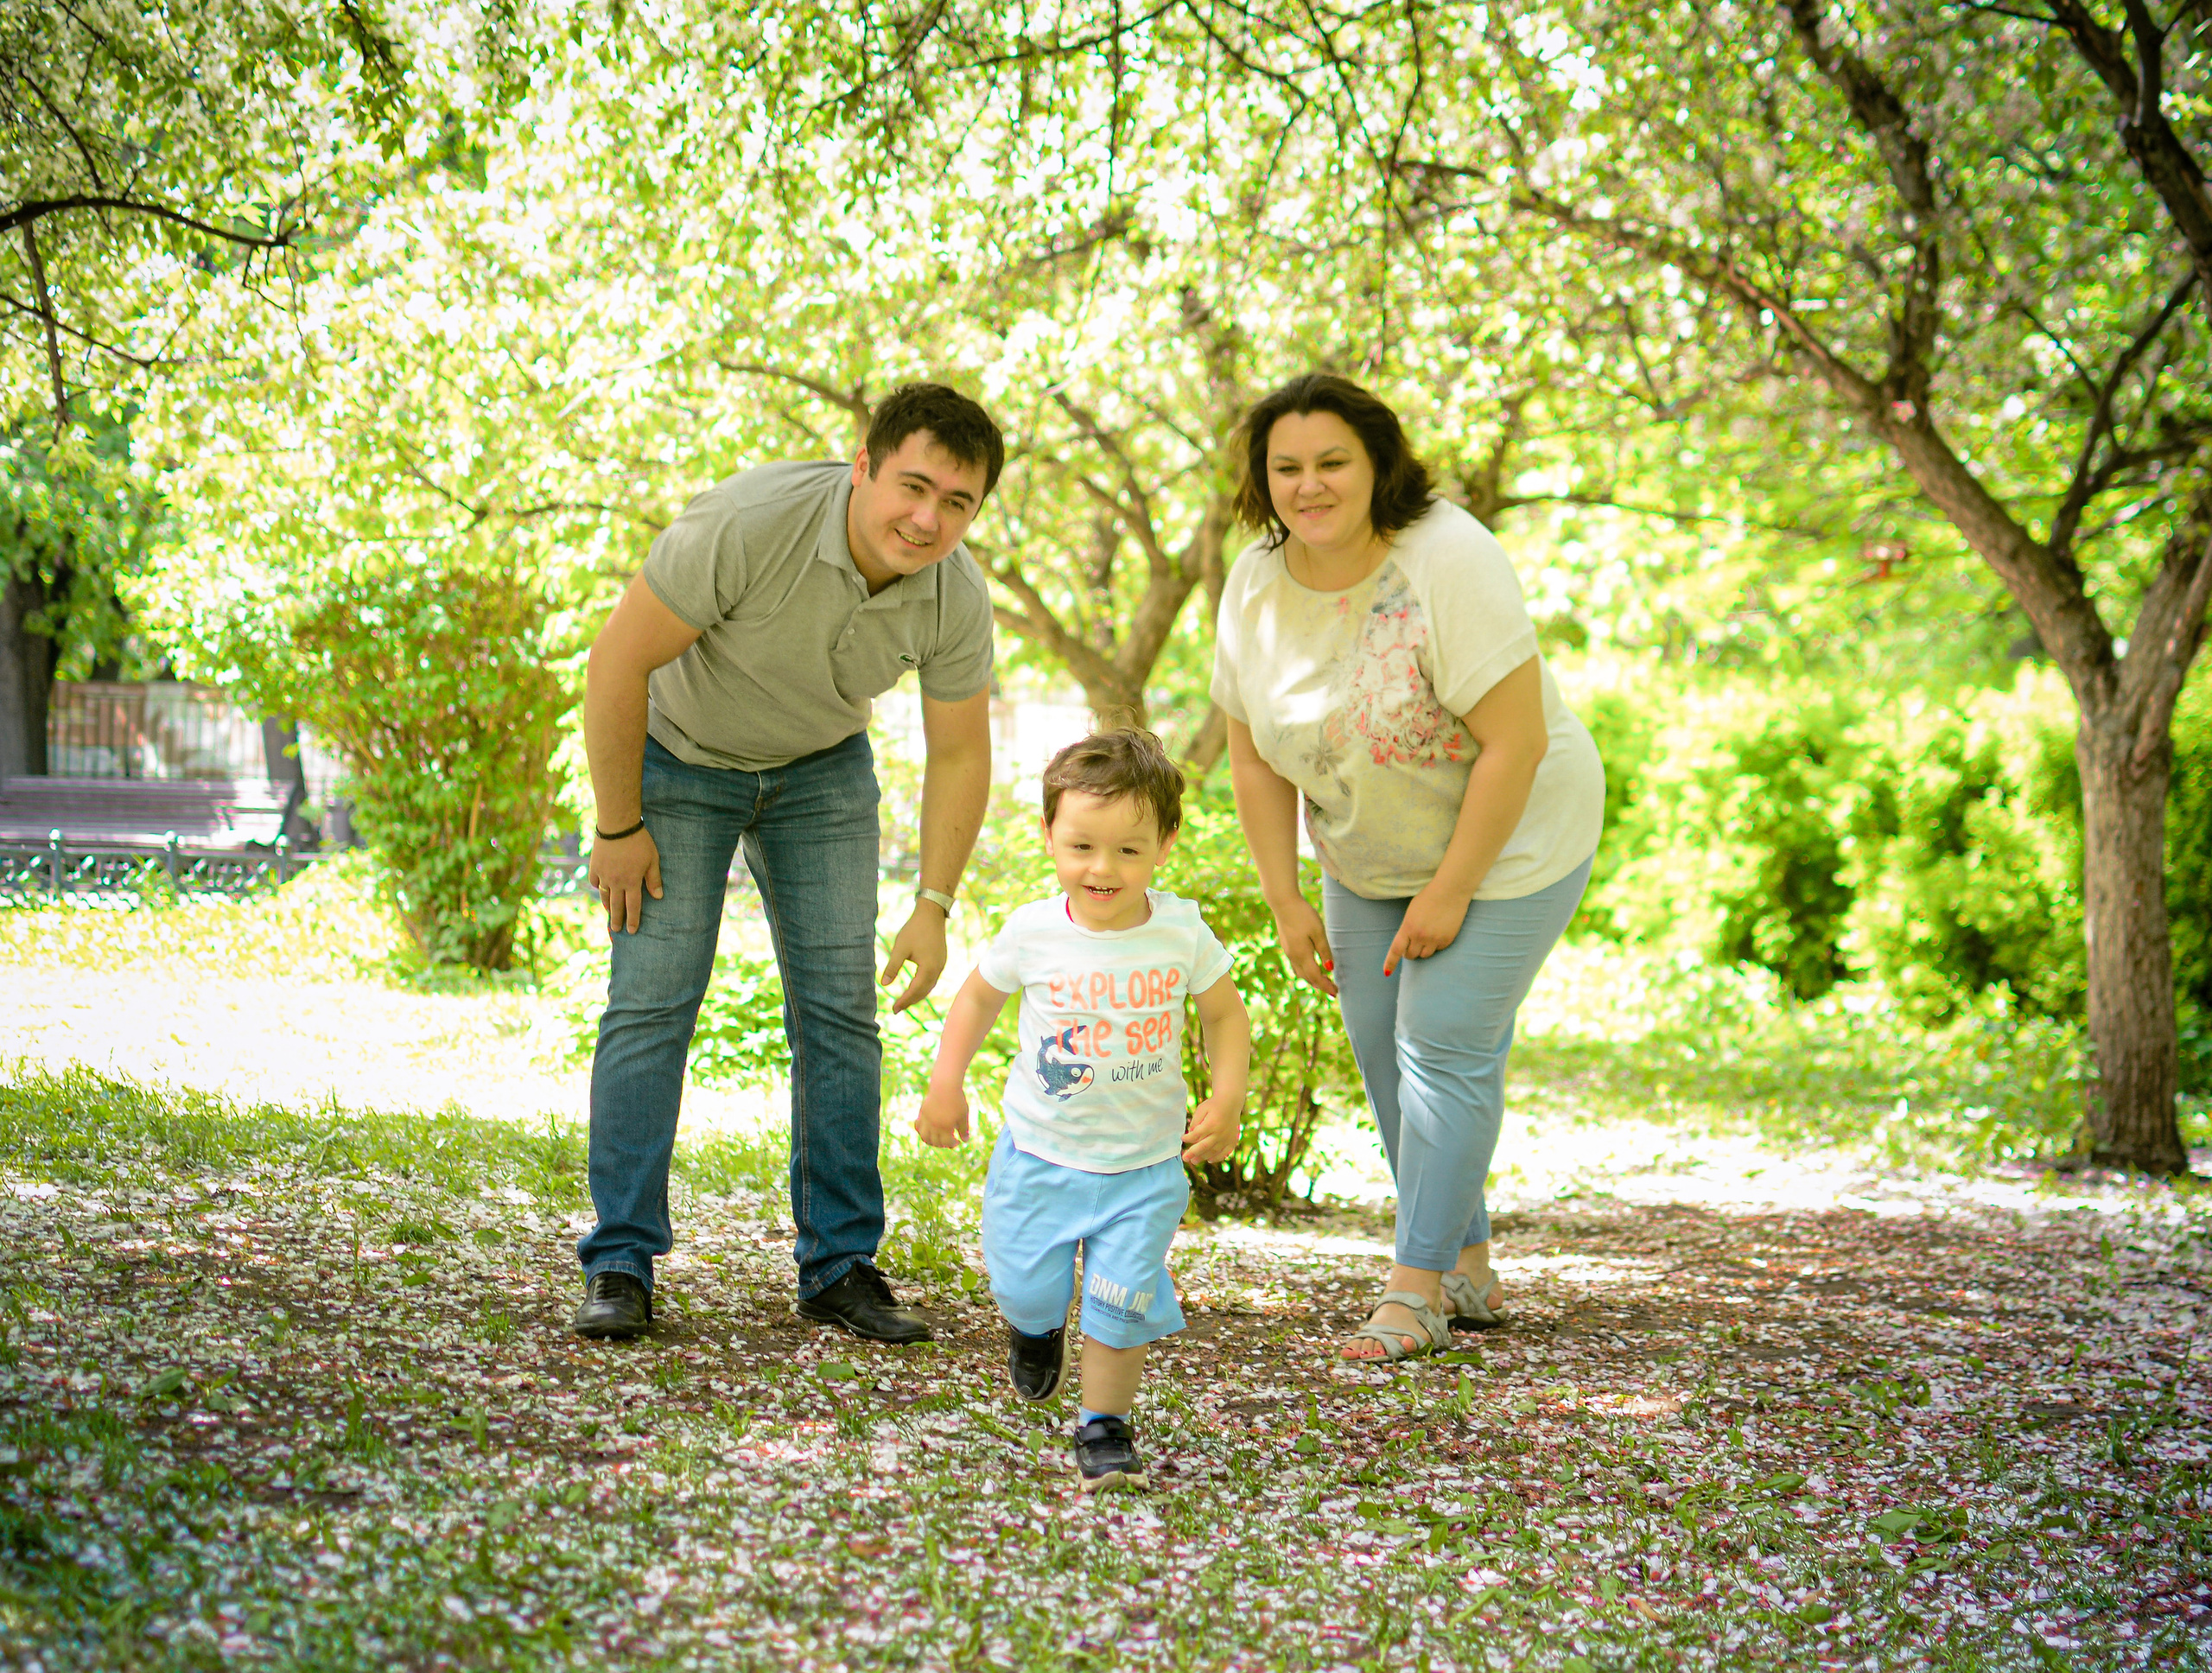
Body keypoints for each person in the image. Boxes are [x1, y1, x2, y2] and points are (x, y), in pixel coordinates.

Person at [572, 384, 1000, 1345]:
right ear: (864, 467)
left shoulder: (955, 592)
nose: (929, 519)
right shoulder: (747, 522)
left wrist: (933, 903)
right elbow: (616, 662)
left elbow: (963, 752)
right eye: (912, 486)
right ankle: (621, 1260)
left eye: (958, 502)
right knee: (654, 997)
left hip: (818, 772)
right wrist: (617, 826)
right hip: (678, 759)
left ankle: (839, 1263)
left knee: (840, 1011)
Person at [1210, 372, 1605, 1362]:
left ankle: (1412, 1291)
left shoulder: (1448, 557)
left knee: (1442, 1044)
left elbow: (1512, 743)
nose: (1310, 485)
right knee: (1387, 1059)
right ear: (1262, 481)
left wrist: (1454, 887)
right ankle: (1466, 1261)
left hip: (1511, 840)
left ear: (1378, 464)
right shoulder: (1254, 582)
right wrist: (1284, 893)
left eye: (1332, 461)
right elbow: (1250, 754)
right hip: (1365, 852)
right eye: (1286, 467)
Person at [915, 729, 1251, 1490]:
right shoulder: (1033, 931)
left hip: (1143, 1169)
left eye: (1129, 851)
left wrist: (1227, 1096)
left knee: (1119, 1304)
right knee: (1025, 1287)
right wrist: (947, 1082)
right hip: (1039, 1157)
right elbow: (976, 998)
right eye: (1083, 847)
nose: (1103, 869)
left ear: (1165, 844)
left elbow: (1226, 1017)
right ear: (1049, 837)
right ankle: (1034, 1329)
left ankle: (1104, 1428)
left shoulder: (1179, 930)